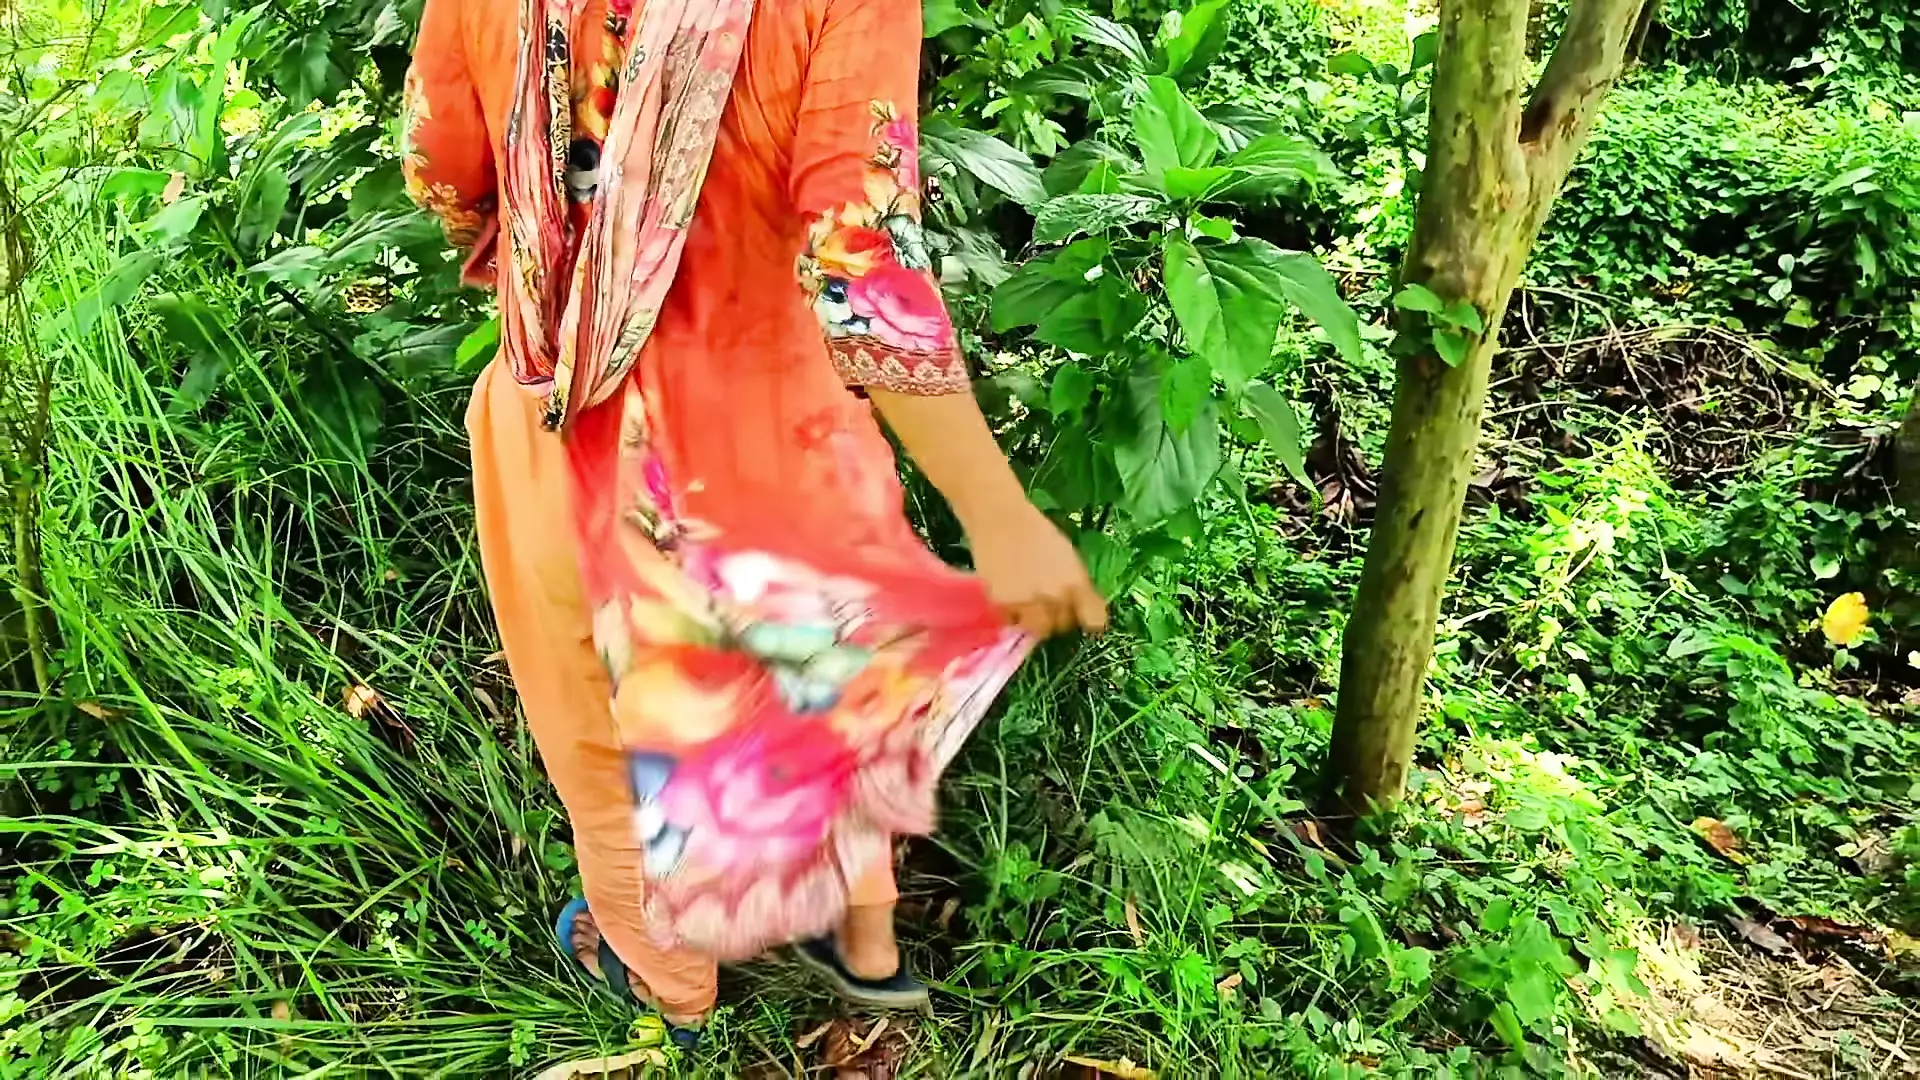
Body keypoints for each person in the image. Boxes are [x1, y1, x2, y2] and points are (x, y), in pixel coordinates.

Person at [400, 0, 1108, 1042]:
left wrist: (572, 265)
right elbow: (860, 252)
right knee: (829, 692)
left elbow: (441, 164)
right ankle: (868, 952)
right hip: (778, 424)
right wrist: (995, 510)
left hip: (566, 415)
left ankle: (667, 988)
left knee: (606, 737)